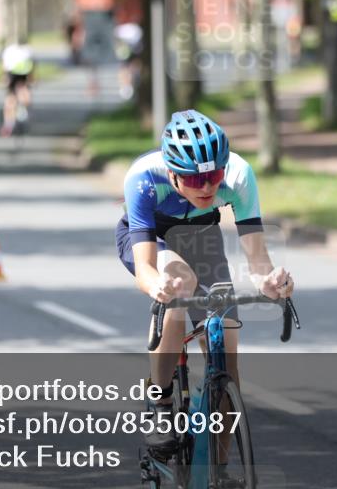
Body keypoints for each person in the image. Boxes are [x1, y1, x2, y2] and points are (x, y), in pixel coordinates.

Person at [114, 109, 294, 456]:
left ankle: (220, 478)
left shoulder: (240, 175)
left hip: (201, 235)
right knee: (180, 285)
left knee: (225, 350)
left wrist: (270, 281)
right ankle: (161, 403)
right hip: (153, 237)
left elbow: (257, 258)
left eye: (214, 175)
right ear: (172, 174)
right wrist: (158, 287)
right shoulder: (143, 178)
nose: (209, 186)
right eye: (196, 181)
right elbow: (145, 267)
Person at [0, 42, 35, 137]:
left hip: (13, 72)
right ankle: (23, 111)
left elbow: (4, 67)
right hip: (21, 73)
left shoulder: (9, 51)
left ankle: (8, 124)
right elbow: (32, 67)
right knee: (22, 93)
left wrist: (4, 78)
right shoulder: (27, 51)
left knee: (11, 98)